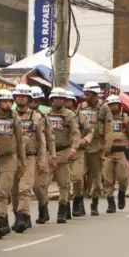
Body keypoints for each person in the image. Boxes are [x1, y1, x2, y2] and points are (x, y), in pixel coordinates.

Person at [0, 88, 25, 237]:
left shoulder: (15, 118)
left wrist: (22, 163)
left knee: (2, 192)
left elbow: (20, 142)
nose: (8, 104)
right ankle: (6, 219)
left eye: (9, 101)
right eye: (4, 101)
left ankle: (0, 222)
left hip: (10, 157)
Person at [11, 83, 47, 232]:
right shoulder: (10, 115)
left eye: (24, 96)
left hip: (30, 157)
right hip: (12, 157)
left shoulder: (36, 117)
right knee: (13, 190)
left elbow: (42, 141)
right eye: (18, 96)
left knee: (25, 188)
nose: (21, 99)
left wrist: (42, 161)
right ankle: (20, 216)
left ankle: (22, 215)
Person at [46, 88, 80, 223]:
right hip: (48, 153)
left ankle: (63, 209)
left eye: (62, 99)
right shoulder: (45, 114)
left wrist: (73, 149)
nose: (59, 100)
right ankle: (44, 210)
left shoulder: (69, 115)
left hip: (64, 152)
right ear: (52, 99)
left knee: (64, 184)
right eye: (56, 98)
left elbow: (76, 134)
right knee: (43, 184)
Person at [79, 82, 111, 216]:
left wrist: (108, 144)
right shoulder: (81, 107)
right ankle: (78, 203)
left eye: (88, 94)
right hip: (83, 146)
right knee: (78, 176)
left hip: (97, 146)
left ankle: (95, 202)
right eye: (84, 94)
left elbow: (108, 127)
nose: (85, 97)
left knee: (97, 178)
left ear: (94, 95)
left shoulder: (104, 108)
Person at [29, 86, 56, 223]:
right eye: (31, 101)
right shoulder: (17, 115)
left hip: (41, 154)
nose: (33, 104)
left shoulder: (44, 118)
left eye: (35, 101)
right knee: (24, 188)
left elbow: (50, 138)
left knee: (38, 186)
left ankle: (43, 206)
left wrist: (52, 156)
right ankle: (23, 216)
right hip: (24, 155)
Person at [103, 95, 129, 212]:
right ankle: (110, 204)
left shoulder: (124, 118)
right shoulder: (105, 119)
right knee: (107, 180)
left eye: (114, 104)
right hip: (107, 152)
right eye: (110, 105)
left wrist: (128, 126)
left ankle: (121, 194)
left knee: (123, 178)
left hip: (121, 152)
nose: (112, 107)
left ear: (119, 105)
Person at [69, 91, 93, 217]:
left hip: (78, 151)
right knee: (64, 181)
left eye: (68, 100)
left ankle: (78, 200)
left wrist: (85, 139)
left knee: (77, 177)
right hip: (61, 151)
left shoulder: (80, 116)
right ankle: (64, 207)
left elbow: (90, 131)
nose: (65, 102)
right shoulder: (51, 115)